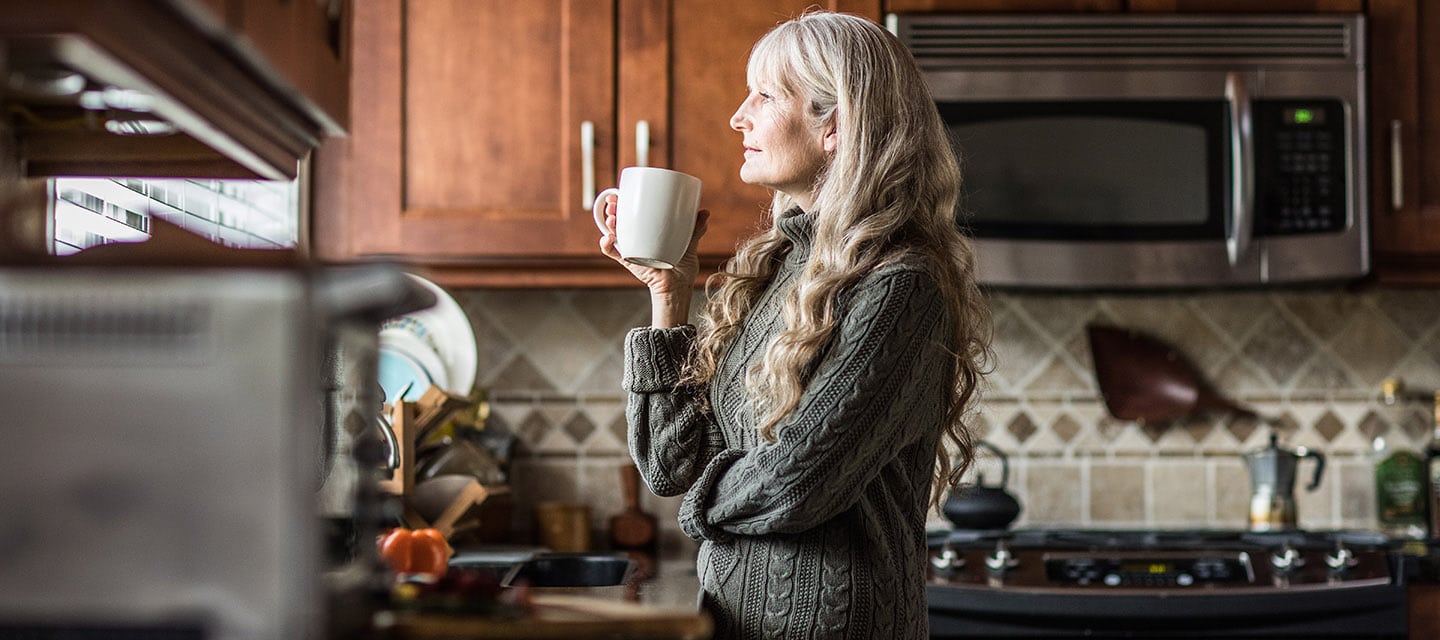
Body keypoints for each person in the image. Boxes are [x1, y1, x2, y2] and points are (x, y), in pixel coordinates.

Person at [596, 10, 991, 639]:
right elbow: (670, 466)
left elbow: (798, 481)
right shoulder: (778, 265)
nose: (738, 116)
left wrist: (700, 505)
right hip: (734, 621)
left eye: (765, 95)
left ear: (834, 126)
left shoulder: (901, 285)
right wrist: (668, 293)